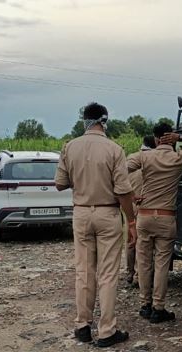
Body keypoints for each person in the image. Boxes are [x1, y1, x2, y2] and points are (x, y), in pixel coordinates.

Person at [55, 102, 136, 348]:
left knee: (84, 272)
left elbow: (60, 183)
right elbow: (123, 190)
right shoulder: (114, 149)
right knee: (108, 274)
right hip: (107, 213)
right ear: (104, 120)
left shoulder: (70, 147)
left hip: (80, 213)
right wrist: (131, 220)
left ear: (85, 121)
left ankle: (82, 326)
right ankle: (107, 331)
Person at [127, 123, 182, 323]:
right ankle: (158, 307)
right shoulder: (178, 158)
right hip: (166, 217)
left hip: (143, 217)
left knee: (143, 262)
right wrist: (179, 138)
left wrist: (131, 196)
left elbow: (119, 170)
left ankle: (144, 305)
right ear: (169, 137)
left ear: (155, 139)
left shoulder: (144, 157)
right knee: (161, 264)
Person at [126, 135, 157, 285]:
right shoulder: (152, 160)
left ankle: (130, 272)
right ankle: (140, 276)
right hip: (145, 205)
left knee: (130, 240)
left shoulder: (130, 158)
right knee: (141, 243)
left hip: (128, 204)